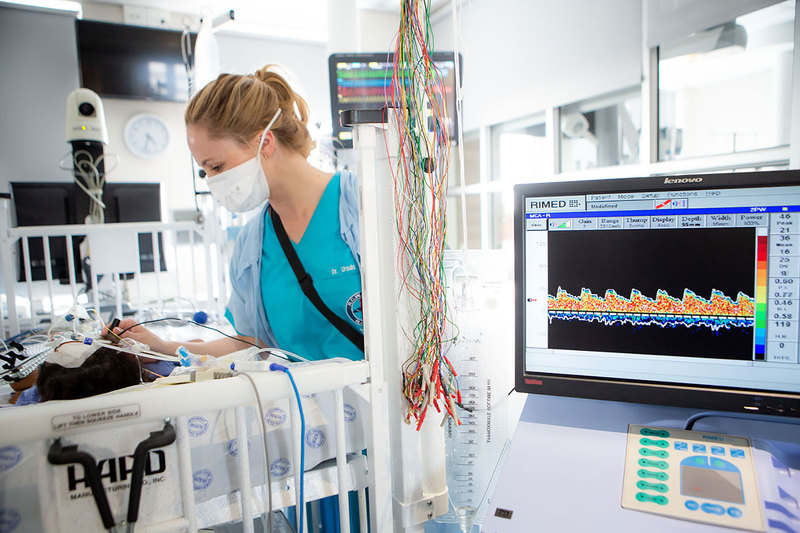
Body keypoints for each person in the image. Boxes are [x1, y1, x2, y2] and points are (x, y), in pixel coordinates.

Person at [112, 65, 364, 363]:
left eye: (216, 167)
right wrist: (162, 346)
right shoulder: (252, 245)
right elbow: (250, 343)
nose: (212, 181)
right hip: (305, 404)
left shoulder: (359, 205)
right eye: (203, 171)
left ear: (264, 142)